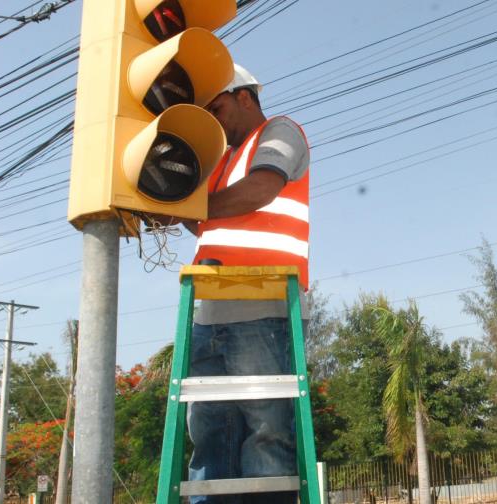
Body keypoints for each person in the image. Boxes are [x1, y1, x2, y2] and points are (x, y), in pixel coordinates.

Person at [185, 63, 310, 504]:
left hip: (264, 309)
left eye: (216, 108)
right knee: (210, 432)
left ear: (244, 96)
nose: (214, 122)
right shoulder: (222, 161)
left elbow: (260, 191)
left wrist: (195, 203)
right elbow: (206, 219)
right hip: (210, 312)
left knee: (266, 431)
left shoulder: (280, 132)